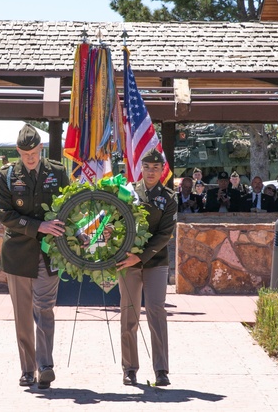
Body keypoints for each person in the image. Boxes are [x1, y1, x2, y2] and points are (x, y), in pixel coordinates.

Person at [0, 124, 69, 390]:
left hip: (49, 254)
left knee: (45, 307)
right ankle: (28, 370)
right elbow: (5, 214)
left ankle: (45, 365)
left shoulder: (58, 172)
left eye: (34, 152)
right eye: (25, 153)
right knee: (23, 314)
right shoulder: (7, 176)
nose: (30, 158)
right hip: (18, 253)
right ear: (17, 151)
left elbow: (68, 207)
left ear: (41, 148)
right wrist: (38, 226)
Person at [117, 149, 177, 387]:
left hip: (155, 262)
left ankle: (161, 369)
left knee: (156, 311)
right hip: (127, 262)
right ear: (140, 168)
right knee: (128, 314)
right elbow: (116, 220)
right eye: (147, 167)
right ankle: (129, 368)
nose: (151, 172)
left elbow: (164, 235)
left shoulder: (169, 198)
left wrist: (139, 258)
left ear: (162, 171)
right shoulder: (128, 192)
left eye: (155, 168)